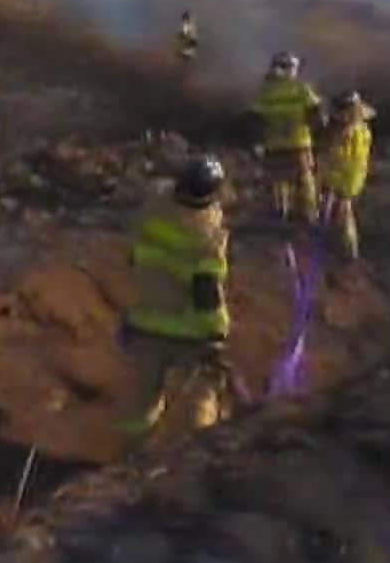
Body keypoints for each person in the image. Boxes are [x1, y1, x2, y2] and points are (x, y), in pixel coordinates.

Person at [118, 155, 236, 445]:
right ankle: (194, 462)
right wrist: (217, 331)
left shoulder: (153, 207)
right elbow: (206, 289)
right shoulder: (208, 231)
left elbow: (135, 252)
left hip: (145, 320)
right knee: (200, 396)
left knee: (140, 400)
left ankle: (130, 458)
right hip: (190, 330)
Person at [249, 51, 323, 222]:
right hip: (299, 143)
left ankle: (279, 213)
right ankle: (308, 214)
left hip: (273, 144)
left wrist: (256, 142)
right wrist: (319, 136)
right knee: (304, 180)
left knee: (277, 182)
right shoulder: (301, 88)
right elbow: (316, 113)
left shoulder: (265, 91)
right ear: (291, 68)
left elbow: (255, 119)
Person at [320, 89, 375, 261]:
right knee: (342, 208)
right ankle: (340, 243)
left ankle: (348, 250)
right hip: (357, 175)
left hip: (342, 176)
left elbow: (335, 155)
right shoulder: (364, 130)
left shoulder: (344, 133)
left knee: (343, 212)